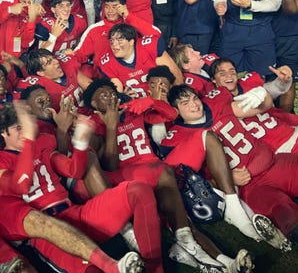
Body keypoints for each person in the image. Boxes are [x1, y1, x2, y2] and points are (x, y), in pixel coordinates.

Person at [84, 78, 255, 272]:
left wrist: (151, 101)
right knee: (173, 215)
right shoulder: (95, 124)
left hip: (153, 170)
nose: (110, 96)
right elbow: (109, 165)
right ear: (94, 104)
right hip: (127, 179)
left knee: (183, 222)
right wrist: (111, 127)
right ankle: (208, 261)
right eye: (103, 95)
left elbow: (170, 114)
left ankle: (224, 261)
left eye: (112, 92)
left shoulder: (131, 109)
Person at [0, 104, 149, 273]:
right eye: (18, 128)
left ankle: (155, 265)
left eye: (25, 127)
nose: (25, 132)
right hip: (46, 232)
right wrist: (29, 143)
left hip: (73, 212)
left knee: (138, 190)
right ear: (3, 132)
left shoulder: (41, 145)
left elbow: (74, 170)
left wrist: (80, 142)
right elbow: (21, 186)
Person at [167, 84, 298, 258]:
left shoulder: (217, 104)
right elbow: (195, 184)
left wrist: (262, 93)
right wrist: (226, 178)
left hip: (274, 163)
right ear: (176, 110)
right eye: (185, 103)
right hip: (251, 188)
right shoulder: (179, 138)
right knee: (287, 216)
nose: (194, 105)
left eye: (194, 98)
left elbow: (263, 106)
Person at [95, 23, 183, 97]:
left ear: (131, 42)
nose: (114, 45)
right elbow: (118, 94)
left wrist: (175, 100)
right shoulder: (108, 63)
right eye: (112, 41)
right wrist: (124, 98)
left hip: (162, 100)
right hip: (137, 108)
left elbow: (176, 77)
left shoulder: (149, 47)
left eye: (120, 40)